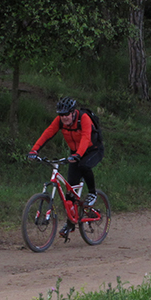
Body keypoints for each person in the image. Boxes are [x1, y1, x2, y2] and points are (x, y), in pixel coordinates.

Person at [28, 96, 104, 237]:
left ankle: (92, 193)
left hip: (93, 150)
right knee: (70, 191)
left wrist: (78, 155)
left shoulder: (84, 118)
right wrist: (34, 150)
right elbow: (47, 133)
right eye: (61, 115)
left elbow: (86, 138)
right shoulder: (60, 121)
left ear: (73, 112)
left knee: (84, 166)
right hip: (75, 153)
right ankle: (70, 225)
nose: (64, 118)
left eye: (66, 114)